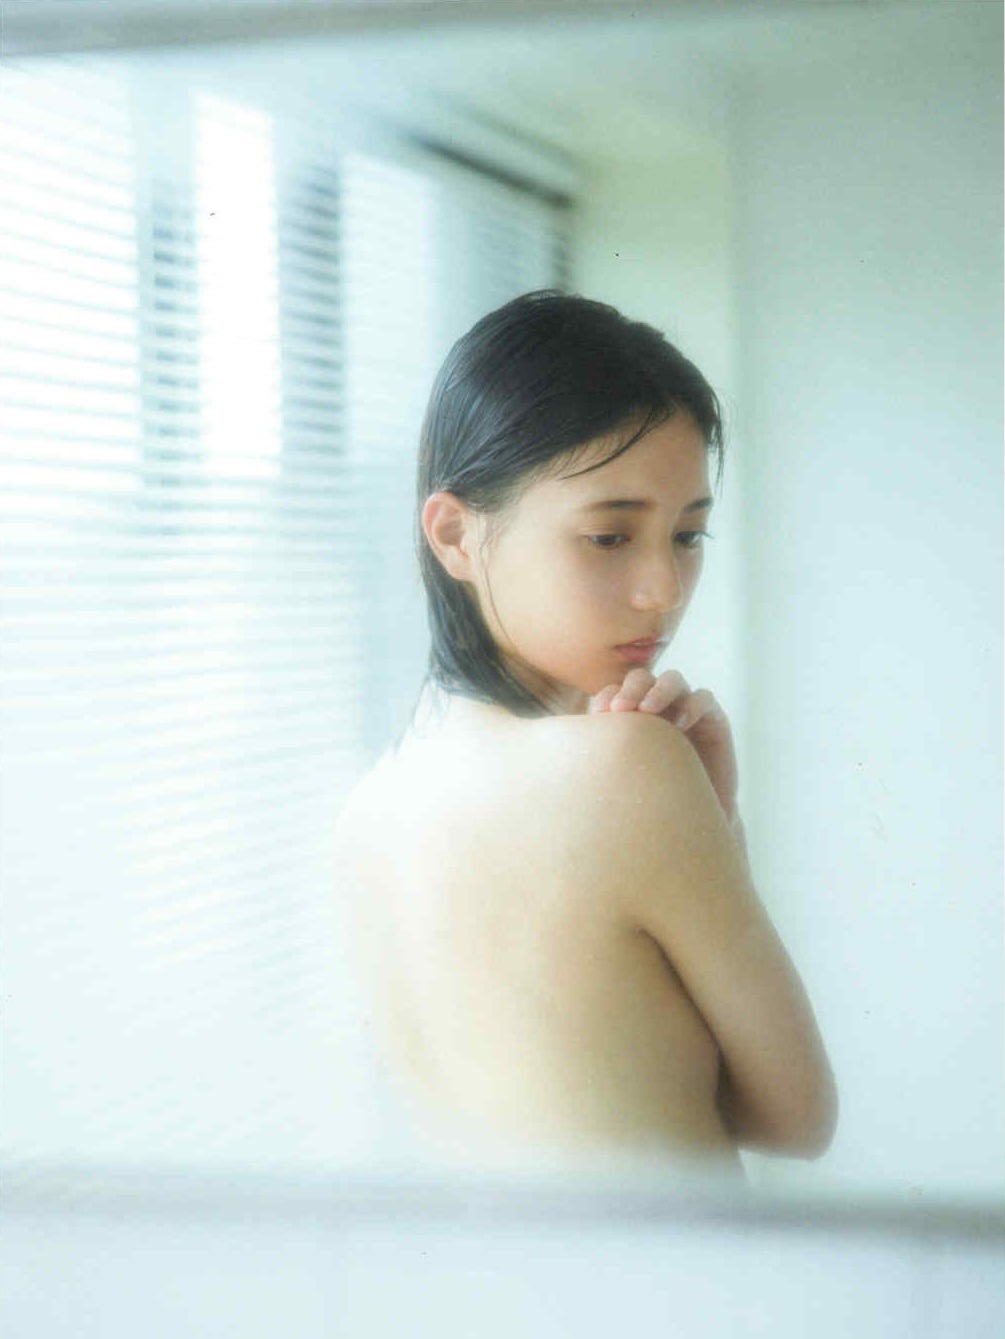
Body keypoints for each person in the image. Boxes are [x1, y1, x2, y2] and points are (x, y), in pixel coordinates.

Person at [334, 291, 838, 1185]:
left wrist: (709, 819)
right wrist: (711, 822)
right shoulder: (626, 765)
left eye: (688, 534)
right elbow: (796, 1121)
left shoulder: (367, 813)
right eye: (608, 536)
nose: (662, 589)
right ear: (454, 534)